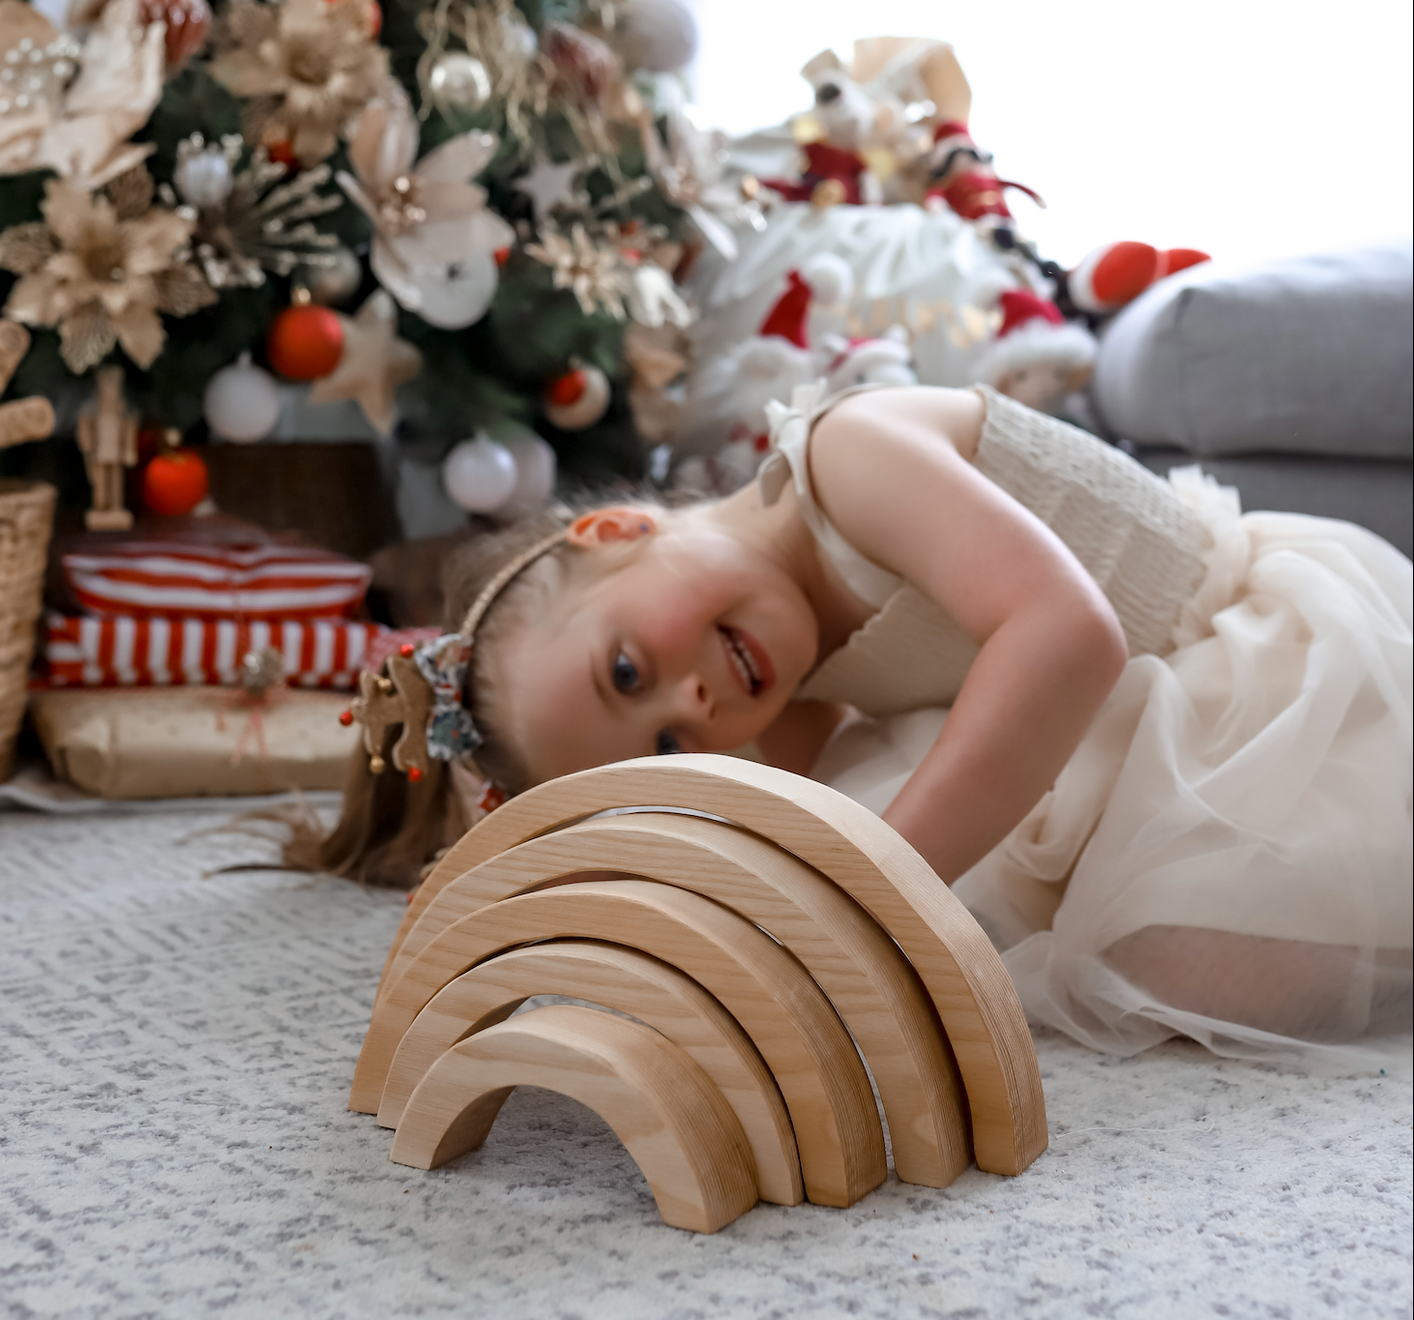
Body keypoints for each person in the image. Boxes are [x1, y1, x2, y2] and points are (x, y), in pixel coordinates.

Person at [298, 380, 1412, 1071]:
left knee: (1207, 950)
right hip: (1120, 722)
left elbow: (1067, 635)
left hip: (1244, 659)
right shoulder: (773, 673)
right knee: (1151, 956)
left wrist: (869, 895)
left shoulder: (846, 458)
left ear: (613, 526)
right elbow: (739, 832)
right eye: (666, 741)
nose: (688, 705)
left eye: (625, 665)